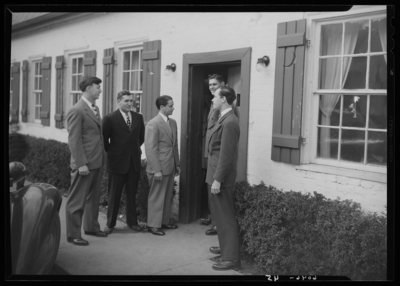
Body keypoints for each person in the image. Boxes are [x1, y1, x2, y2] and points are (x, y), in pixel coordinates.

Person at [65, 76, 107, 246]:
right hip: (84, 164)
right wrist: (81, 164)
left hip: (96, 161)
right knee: (77, 201)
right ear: (89, 88)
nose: (100, 90)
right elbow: (74, 140)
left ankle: (91, 227)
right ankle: (73, 234)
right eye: (98, 87)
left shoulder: (94, 108)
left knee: (93, 198)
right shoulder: (77, 110)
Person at [206, 86, 241, 271]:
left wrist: (218, 179)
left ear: (225, 99)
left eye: (216, 97)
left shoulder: (230, 122)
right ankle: (226, 250)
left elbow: (226, 156)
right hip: (214, 174)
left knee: (226, 218)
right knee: (219, 217)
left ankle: (231, 258)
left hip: (221, 178)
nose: (213, 99)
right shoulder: (223, 117)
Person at [102, 90, 146, 234]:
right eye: (126, 101)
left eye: (130, 101)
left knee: (131, 194)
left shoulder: (138, 117)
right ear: (118, 101)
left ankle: (132, 223)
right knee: (114, 194)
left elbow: (141, 138)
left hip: (133, 162)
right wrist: (115, 153)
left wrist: (132, 152)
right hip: (116, 162)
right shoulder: (109, 118)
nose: (129, 103)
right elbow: (104, 141)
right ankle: (110, 224)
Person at [145, 95, 180, 236]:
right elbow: (150, 149)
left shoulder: (173, 122)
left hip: (170, 166)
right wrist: (156, 170)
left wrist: (177, 165)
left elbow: (174, 145)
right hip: (158, 168)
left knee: (166, 196)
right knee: (156, 197)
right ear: (162, 107)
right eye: (170, 106)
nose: (173, 108)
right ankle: (152, 225)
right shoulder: (153, 124)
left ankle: (164, 221)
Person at [203, 74, 226, 236]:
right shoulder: (213, 103)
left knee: (217, 189)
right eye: (210, 84)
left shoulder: (223, 104)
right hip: (210, 152)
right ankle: (214, 220)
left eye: (215, 84)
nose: (212, 87)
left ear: (223, 84)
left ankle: (218, 225)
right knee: (210, 187)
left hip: (218, 153)